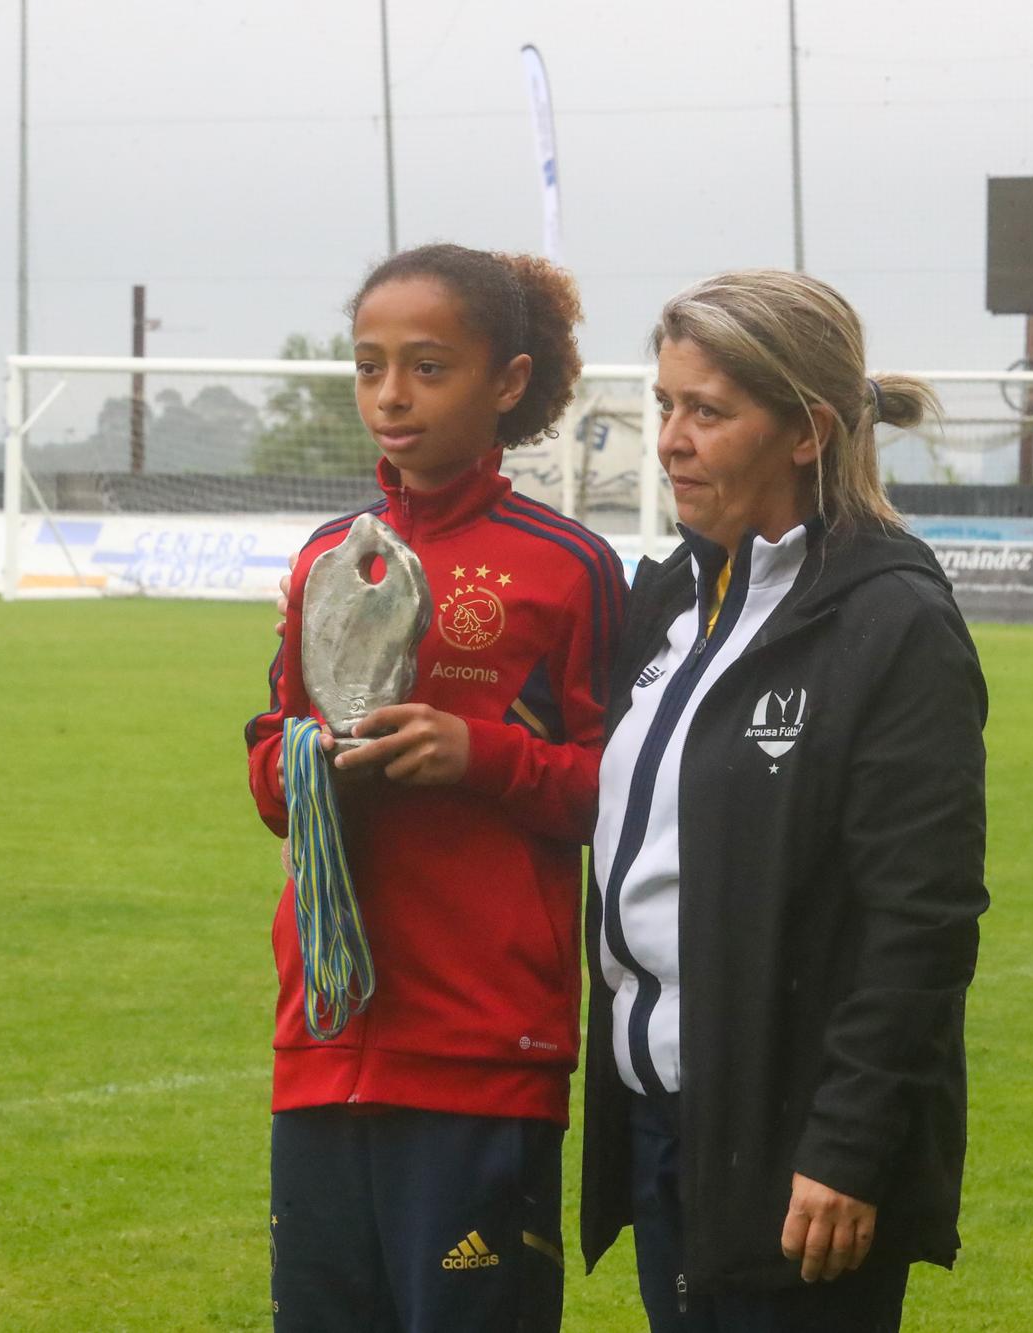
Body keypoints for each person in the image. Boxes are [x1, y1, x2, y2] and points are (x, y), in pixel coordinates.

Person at [580, 270, 989, 1332]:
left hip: (796, 1156)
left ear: (806, 431)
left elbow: (921, 918)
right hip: (665, 1124)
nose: (669, 438)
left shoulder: (890, 622)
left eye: (706, 411)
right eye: (664, 405)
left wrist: (845, 1149)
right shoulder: (670, 596)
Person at [244, 242, 628, 1333]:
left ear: (506, 382)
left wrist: (479, 757)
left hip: (481, 1051)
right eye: (367, 366)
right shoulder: (328, 556)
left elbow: (621, 796)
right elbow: (272, 777)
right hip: (322, 1040)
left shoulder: (568, 569)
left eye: (426, 366)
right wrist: (317, 769)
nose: (390, 396)